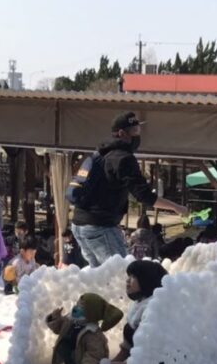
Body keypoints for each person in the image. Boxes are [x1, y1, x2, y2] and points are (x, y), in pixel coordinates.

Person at [71, 112, 187, 267]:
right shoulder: (124, 159)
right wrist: (177, 207)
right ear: (121, 133)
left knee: (99, 276)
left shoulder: (100, 154)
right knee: (123, 273)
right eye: (135, 131)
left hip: (79, 225)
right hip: (99, 227)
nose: (138, 136)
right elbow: (144, 196)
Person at [46, 292, 123, 364]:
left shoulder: (93, 335)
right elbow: (59, 328)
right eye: (77, 304)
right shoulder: (71, 321)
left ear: (91, 314)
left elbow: (93, 356)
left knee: (84, 360)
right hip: (75, 357)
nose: (76, 308)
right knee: (64, 345)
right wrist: (54, 318)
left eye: (81, 307)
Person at [109, 259, 167, 364]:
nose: (127, 280)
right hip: (141, 354)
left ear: (147, 280)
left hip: (159, 360)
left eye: (133, 277)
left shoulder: (155, 307)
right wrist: (114, 362)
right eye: (128, 276)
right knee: (129, 328)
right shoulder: (140, 302)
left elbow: (149, 345)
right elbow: (130, 337)